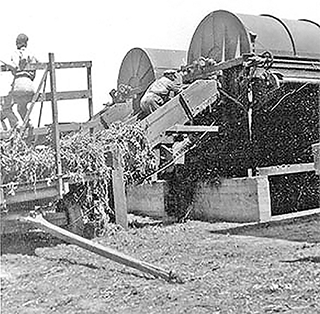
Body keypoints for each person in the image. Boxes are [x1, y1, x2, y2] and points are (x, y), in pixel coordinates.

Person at [9, 33, 38, 129]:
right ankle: (29, 124)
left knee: (6, 106)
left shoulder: (15, 53)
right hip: (30, 86)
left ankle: (16, 124)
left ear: (17, 43)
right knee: (21, 107)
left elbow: (15, 66)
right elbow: (35, 70)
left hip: (18, 85)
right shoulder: (32, 54)